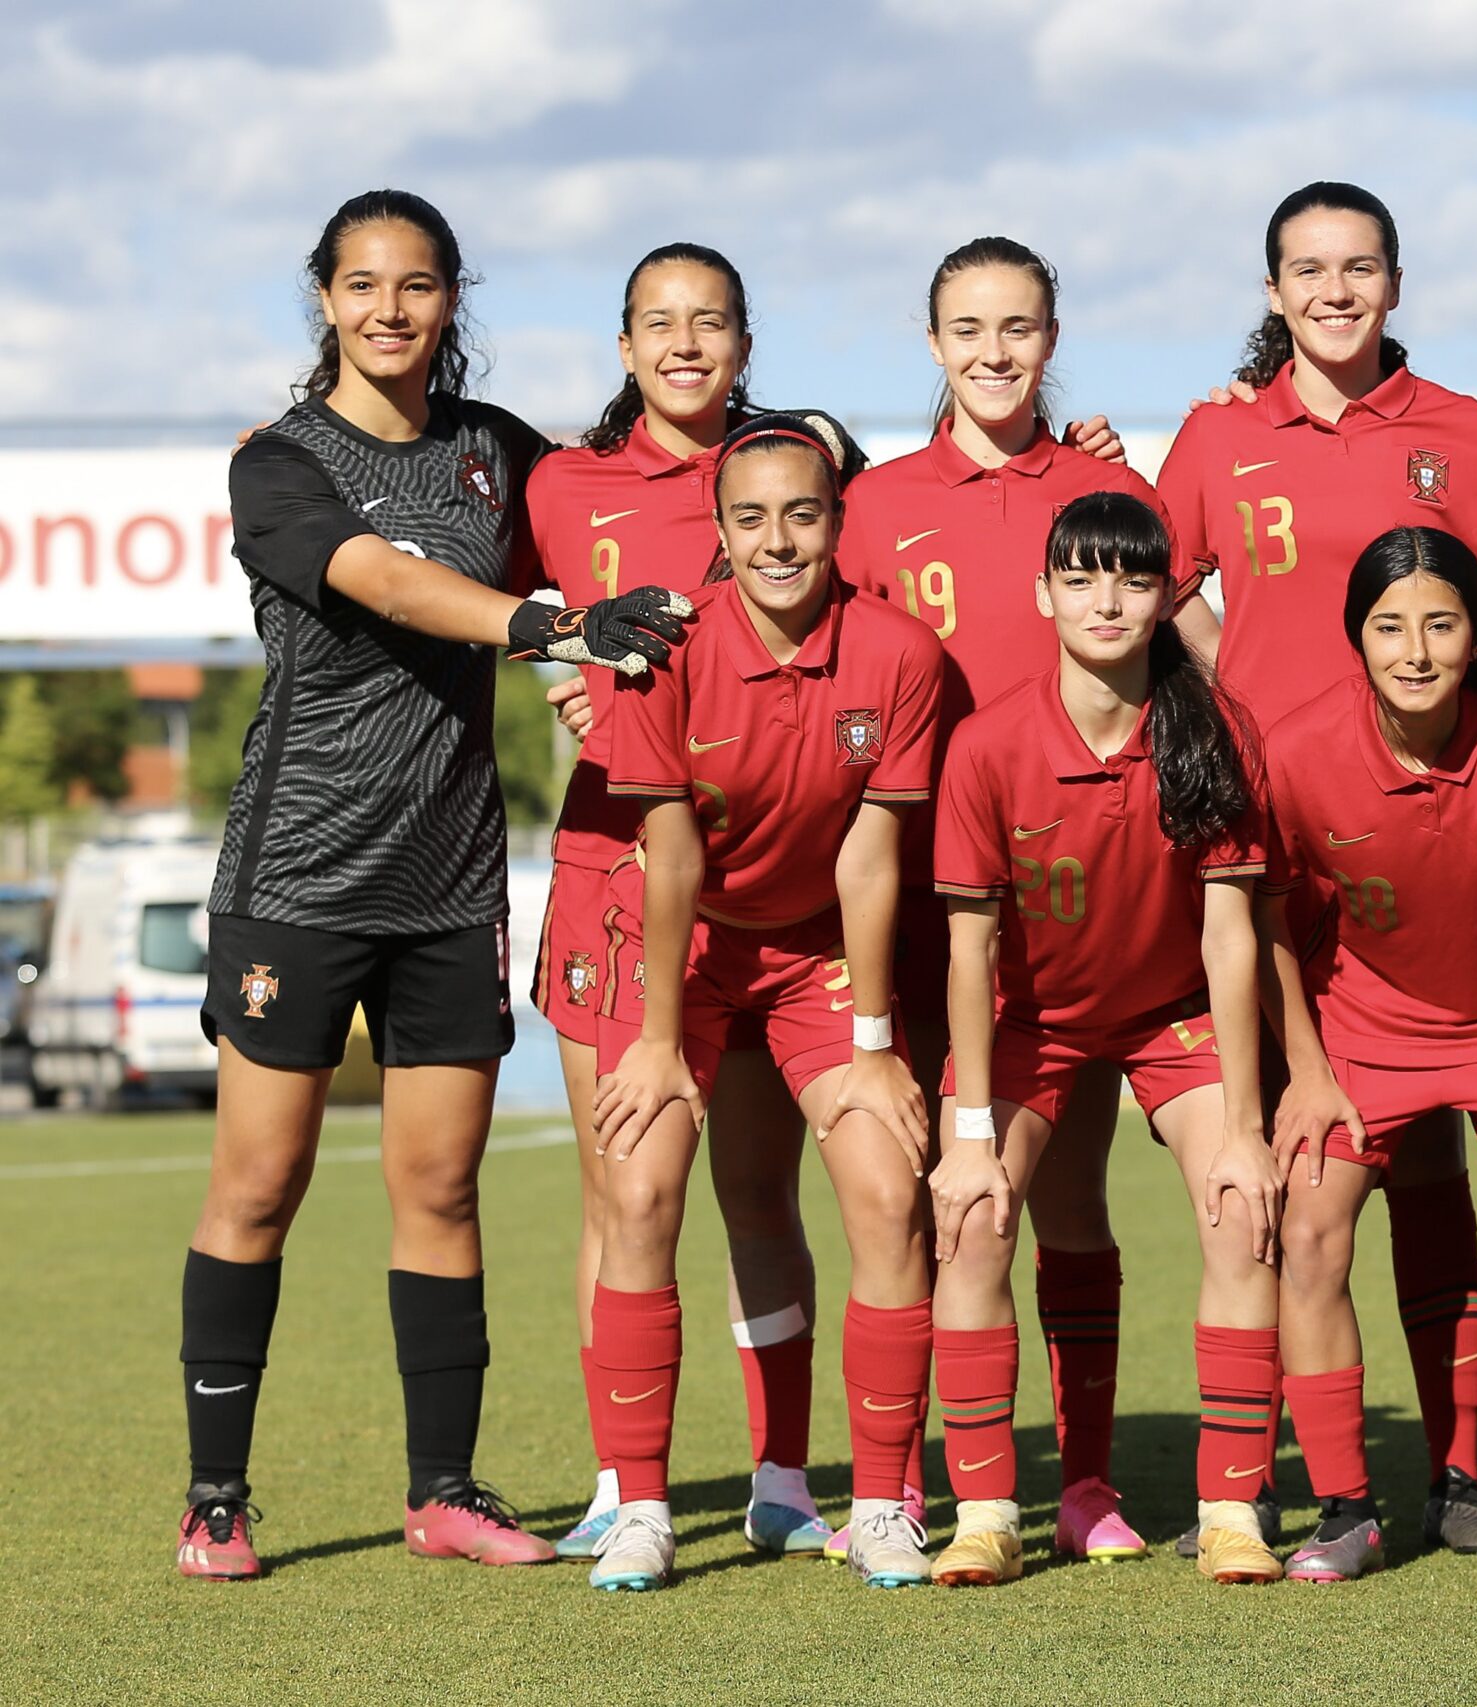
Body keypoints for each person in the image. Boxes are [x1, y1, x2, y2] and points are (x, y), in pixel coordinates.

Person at [181, 188, 688, 1581]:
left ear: (452, 298)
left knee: (442, 1189)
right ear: (326, 299)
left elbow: (636, 484)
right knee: (258, 1185)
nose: (389, 309)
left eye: (416, 284)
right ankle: (215, 1499)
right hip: (298, 877)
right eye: (362, 285)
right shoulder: (279, 463)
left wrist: (799, 446)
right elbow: (390, 584)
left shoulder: (496, 453)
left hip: (453, 879)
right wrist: (552, 628)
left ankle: (444, 1493)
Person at [1158, 180, 1477, 1556]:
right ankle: (1297, 1480)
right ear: (1274, 289)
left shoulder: (1463, 433)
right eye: (1308, 269)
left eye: (1359, 267)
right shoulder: (1219, 435)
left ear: (1396, 283)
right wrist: (1232, 702)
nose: (1335, 291)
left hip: (1446, 838)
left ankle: (1469, 1474)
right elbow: (1153, 590)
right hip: (1292, 841)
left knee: (1439, 1188)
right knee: (1305, 1178)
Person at [837, 237, 1201, 1563]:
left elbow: (1201, 662)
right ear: (932, 341)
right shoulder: (873, 503)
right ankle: (896, 1487)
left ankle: (1087, 1481)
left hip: (1076, 909)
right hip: (924, 910)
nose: (995, 352)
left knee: (1066, 1200)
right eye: (969, 329)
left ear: (1053, 338)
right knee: (919, 1203)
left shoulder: (1110, 487)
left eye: (1020, 328)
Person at [581, 412, 943, 1591]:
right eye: (750, 519)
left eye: (801, 515)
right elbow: (670, 855)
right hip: (682, 948)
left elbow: (870, 860)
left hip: (814, 954)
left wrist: (876, 1045)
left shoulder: (900, 653)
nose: (777, 541)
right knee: (641, 1191)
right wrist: (654, 1039)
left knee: (887, 1192)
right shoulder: (662, 650)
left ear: (837, 521)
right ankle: (640, 1510)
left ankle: (878, 1505)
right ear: (720, 530)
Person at [523, 243, 840, 1560]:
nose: (686, 343)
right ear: (624, 346)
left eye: (711, 320)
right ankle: (622, 1479)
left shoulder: (801, 467)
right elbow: (458, 572)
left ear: (745, 344)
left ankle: (783, 1476)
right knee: (621, 1193)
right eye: (659, 322)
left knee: (761, 1192)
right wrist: (561, 653)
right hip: (614, 869)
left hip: (771, 883)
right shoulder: (560, 481)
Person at [924, 491, 1279, 1588]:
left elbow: (1230, 938)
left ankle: (1232, 1511)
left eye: (1131, 578)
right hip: (1030, 1024)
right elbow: (972, 953)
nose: (1106, 600)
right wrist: (970, 1136)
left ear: (1167, 596)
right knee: (972, 1220)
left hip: (1173, 1018)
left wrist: (1246, 1126)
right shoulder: (987, 744)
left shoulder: (1214, 730)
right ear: (1043, 595)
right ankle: (990, 1513)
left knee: (1243, 1210)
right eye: (1079, 579)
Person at [1259, 527, 1477, 1584]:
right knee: (1308, 1233)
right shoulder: (1298, 750)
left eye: (1441, 625)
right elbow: (1265, 919)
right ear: (1356, 638)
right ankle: (1345, 1510)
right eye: (1389, 628)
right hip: (1361, 1036)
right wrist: (1307, 1068)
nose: (1415, 652)